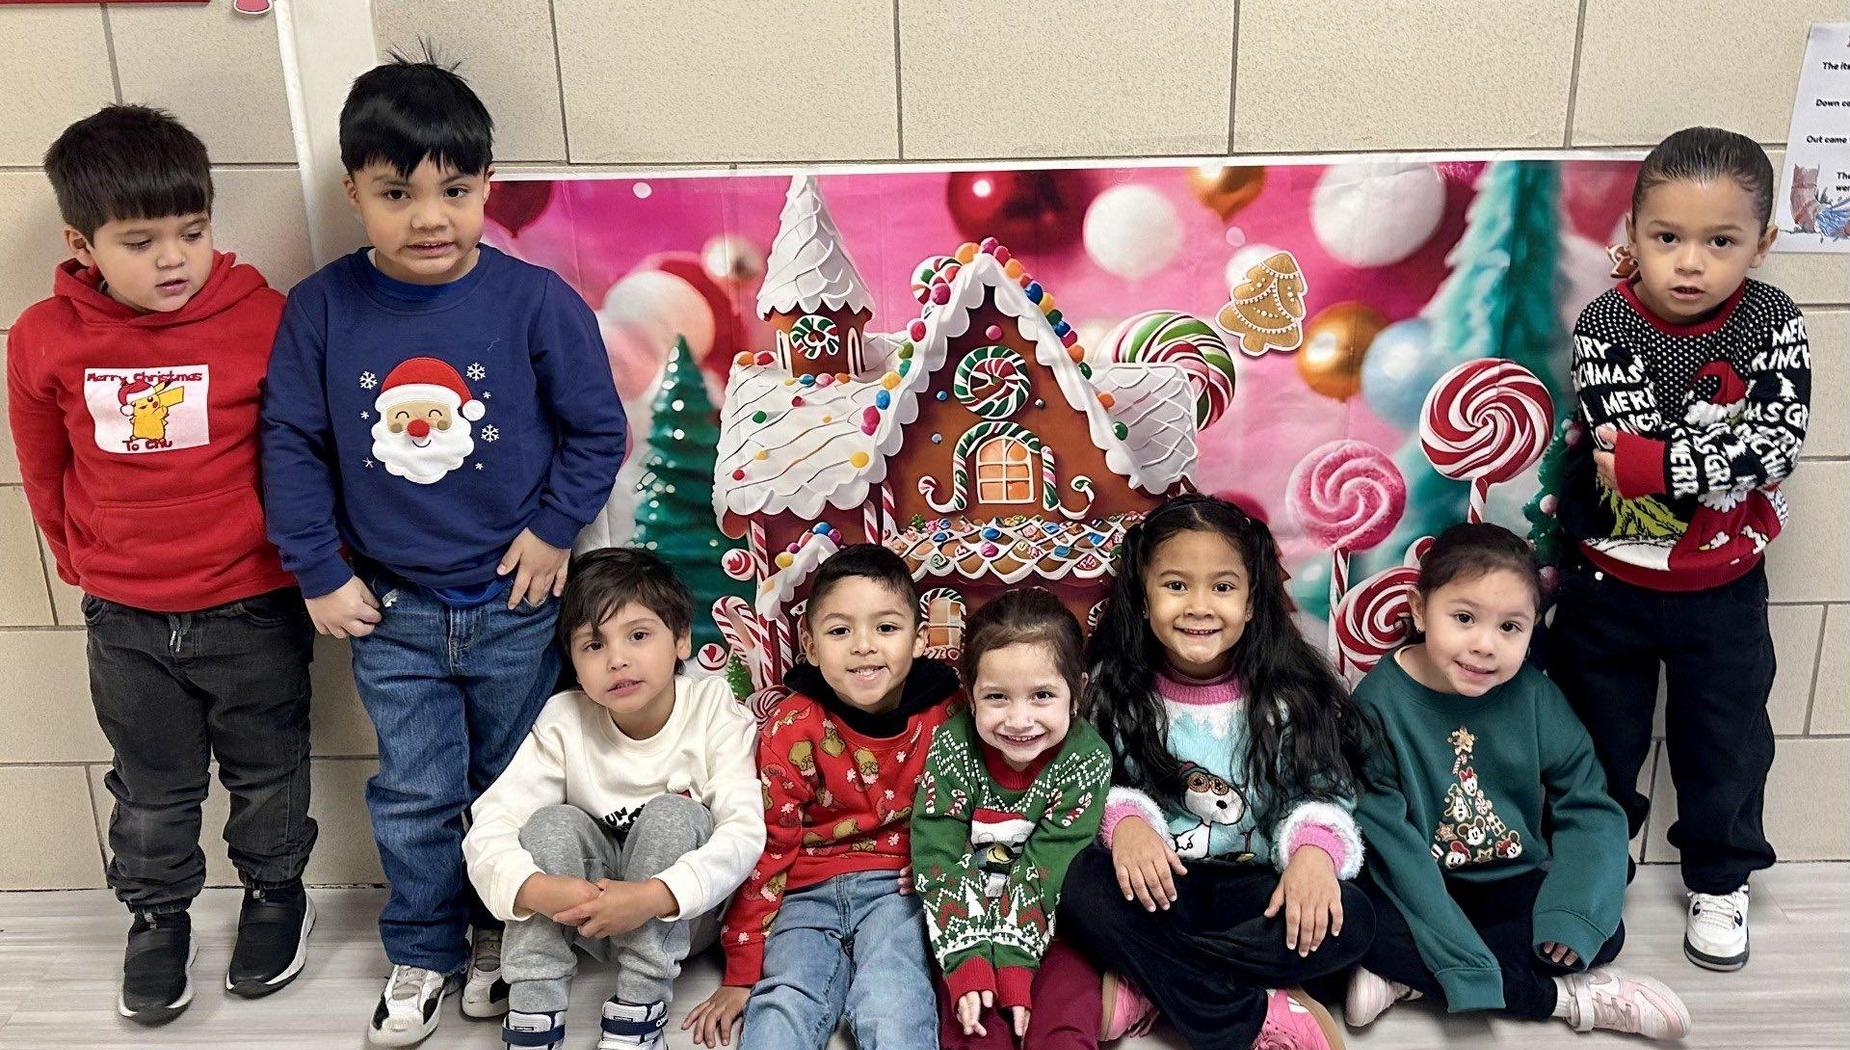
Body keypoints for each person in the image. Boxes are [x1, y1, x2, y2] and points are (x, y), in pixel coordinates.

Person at [260, 53, 628, 1046]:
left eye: (454, 191)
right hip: (389, 609)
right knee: (417, 792)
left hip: (516, 605)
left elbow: (596, 428)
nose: (430, 218)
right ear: (354, 192)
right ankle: (424, 948)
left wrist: (553, 527)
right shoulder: (321, 309)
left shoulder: (536, 301)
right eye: (397, 194)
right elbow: (290, 442)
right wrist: (318, 568)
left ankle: (510, 934)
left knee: (515, 785)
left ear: (487, 187)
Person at [8, 104, 316, 1024]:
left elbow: (305, 453)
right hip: (126, 618)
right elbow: (41, 462)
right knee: (151, 786)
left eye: (192, 231)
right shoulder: (45, 336)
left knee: (268, 770)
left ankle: (276, 895)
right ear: (82, 244)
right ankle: (157, 915)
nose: (173, 259)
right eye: (140, 243)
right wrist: (75, 554)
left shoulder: (264, 319)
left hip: (251, 603)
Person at [1550, 125, 1810, 973]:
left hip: (1724, 586)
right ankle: (1593, 867)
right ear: (1633, 234)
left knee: (1726, 741)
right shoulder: (1604, 324)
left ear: (1762, 245)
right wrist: (1679, 462)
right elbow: (1617, 459)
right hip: (1609, 584)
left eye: (1720, 241)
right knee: (1598, 738)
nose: (1690, 263)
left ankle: (1721, 878)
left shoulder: (1775, 323)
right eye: (1667, 237)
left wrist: (1656, 462)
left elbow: (1776, 446)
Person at [1345, 523, 1691, 1040]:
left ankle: (1412, 979)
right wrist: (1449, 943)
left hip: (1509, 879)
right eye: (1464, 618)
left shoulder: (1534, 697)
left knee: (1599, 922)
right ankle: (1568, 999)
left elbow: (1588, 805)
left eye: (1510, 627)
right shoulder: (1378, 703)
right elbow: (1391, 842)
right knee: (1354, 922)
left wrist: (1572, 912)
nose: (1485, 645)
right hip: (1419, 881)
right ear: (1419, 610)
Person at [1058, 494, 1377, 1050]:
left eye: (1223, 587)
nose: (1199, 607)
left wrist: (1312, 854)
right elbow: (1092, 781)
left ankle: (1157, 980)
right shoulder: (1116, 689)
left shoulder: (1286, 695)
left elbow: (1326, 793)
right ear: (1142, 599)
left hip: (1256, 891)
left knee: (1354, 918)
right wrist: (1126, 823)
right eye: (1176, 585)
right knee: (1080, 886)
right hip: (1160, 890)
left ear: (1252, 603)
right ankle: (1248, 1011)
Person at [463, 549, 763, 1050]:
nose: (617, 659)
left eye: (638, 636)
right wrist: (535, 889)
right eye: (594, 644)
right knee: (550, 824)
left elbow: (744, 832)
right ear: (573, 661)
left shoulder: (713, 709)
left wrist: (653, 896)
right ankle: (535, 1012)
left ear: (681, 639)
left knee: (673, 814)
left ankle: (638, 1014)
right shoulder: (564, 719)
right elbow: (489, 825)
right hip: (586, 917)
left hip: (679, 917)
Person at [682, 545, 962, 1050]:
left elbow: (965, 811)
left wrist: (935, 868)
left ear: (919, 639)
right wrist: (742, 970)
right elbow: (768, 845)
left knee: (895, 997)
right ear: (810, 646)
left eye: (886, 628)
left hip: (897, 888)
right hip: (803, 891)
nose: (863, 646)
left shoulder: (947, 717)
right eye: (839, 631)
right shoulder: (792, 726)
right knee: (786, 999)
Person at [911, 589, 1111, 1049]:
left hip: (1055, 926)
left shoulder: (1086, 759)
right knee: (973, 1028)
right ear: (971, 694)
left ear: (1077, 691)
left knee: (1064, 1030)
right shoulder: (953, 746)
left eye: (1042, 696)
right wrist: (969, 961)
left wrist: (1017, 963)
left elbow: (1051, 865)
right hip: (964, 926)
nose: (1020, 720)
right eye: (997, 697)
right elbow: (938, 850)